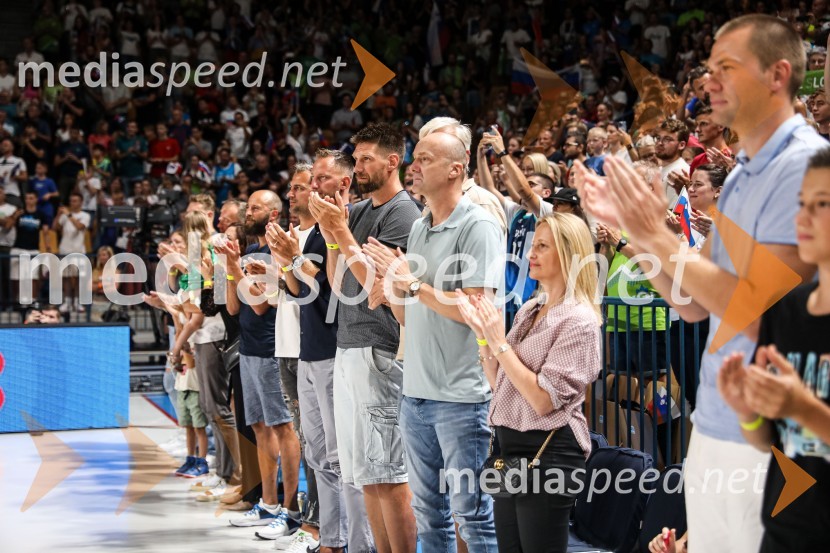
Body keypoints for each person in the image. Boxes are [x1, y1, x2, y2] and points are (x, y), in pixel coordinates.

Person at [574, 15, 822, 553]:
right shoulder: (746, 174)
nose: (707, 81)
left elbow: (760, 307)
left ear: (778, 74)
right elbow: (689, 303)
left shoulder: (804, 167)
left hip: (769, 438)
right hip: (714, 423)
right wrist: (630, 233)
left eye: (725, 68)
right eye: (707, 69)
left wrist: (650, 233)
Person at [362, 131, 501, 552]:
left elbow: (477, 309)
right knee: (429, 515)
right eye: (414, 159)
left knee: (473, 517)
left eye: (424, 159)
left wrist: (413, 284)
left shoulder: (479, 225)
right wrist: (394, 290)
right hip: (416, 391)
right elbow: (412, 314)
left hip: (461, 396)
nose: (413, 167)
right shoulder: (421, 227)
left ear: (456, 169)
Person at [456, 213, 601, 553]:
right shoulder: (530, 309)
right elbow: (502, 385)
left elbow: (541, 400)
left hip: (549, 451)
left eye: (542, 246)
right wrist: (483, 338)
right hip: (511, 448)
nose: (530, 253)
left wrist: (499, 342)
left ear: (568, 255)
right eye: (532, 245)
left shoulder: (578, 320)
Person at [308, 126, 420, 553]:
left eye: (366, 159)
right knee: (366, 475)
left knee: (390, 476)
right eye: (355, 160)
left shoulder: (402, 213)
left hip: (381, 350)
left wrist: (342, 232)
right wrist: (334, 230)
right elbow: (340, 285)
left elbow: (376, 287)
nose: (357, 168)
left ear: (393, 162)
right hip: (350, 346)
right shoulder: (353, 212)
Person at [718, 147, 830, 553]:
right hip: (784, 532)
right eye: (802, 203)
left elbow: (804, 417)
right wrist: (749, 414)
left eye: (822, 204)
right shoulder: (787, 311)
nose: (803, 217)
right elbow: (773, 441)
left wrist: (805, 409)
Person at [266, 162, 365, 552]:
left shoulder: (338, 228)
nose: (304, 191)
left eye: (316, 181)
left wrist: (292, 259)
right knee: (319, 454)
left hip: (331, 349)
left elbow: (331, 290)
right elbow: (298, 289)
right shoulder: (311, 237)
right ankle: (331, 538)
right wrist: (285, 258)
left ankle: (358, 541)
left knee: (341, 458)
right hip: (308, 351)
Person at [215, 190, 302, 530]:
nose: (247, 212)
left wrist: (236, 266)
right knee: (259, 428)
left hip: (269, 349)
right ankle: (267, 503)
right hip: (248, 349)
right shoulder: (251, 251)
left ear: (274, 215)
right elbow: (235, 308)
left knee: (282, 427)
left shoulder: (271, 255)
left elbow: (260, 305)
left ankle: (290, 508)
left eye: (254, 207)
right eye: (248, 206)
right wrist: (227, 267)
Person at [53, 192, 91, 314]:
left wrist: (68, 215)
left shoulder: (85, 215)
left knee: (79, 278)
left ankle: (77, 302)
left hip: (79, 250)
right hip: (65, 250)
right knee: (66, 278)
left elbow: (80, 227)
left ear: (81, 202)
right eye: (71, 200)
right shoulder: (65, 215)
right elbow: (55, 228)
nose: (72, 203)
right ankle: (67, 302)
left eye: (75, 201)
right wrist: (58, 215)